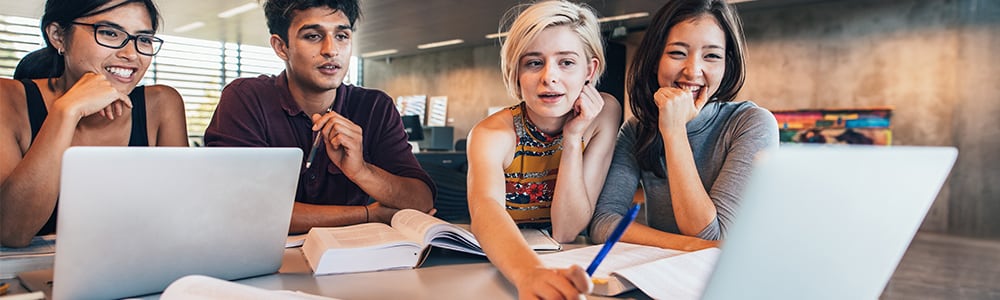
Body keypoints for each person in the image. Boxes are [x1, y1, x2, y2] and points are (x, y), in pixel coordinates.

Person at [203, 0, 435, 234]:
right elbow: (243, 210)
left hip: (354, 261)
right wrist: (368, 215)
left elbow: (421, 201)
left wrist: (362, 171)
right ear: (281, 46)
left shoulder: (375, 106)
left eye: (342, 36)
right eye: (313, 36)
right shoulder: (246, 98)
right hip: (264, 260)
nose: (331, 50)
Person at [590, 0, 779, 250]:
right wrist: (687, 245)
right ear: (655, 58)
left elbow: (710, 234)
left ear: (727, 64)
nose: (693, 71)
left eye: (711, 56)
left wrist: (674, 130)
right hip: (664, 273)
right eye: (677, 53)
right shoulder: (636, 129)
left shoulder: (751, 124)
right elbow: (603, 222)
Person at [0, 0, 188, 248]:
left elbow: (183, 221)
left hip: (136, 270)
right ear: (58, 36)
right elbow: (12, 232)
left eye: (143, 39)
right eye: (109, 33)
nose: (131, 54)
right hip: (35, 276)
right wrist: (67, 110)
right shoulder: (8, 98)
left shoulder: (162, 104)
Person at [465, 1, 621, 298]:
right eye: (534, 62)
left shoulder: (604, 114)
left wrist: (573, 138)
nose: (549, 76)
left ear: (590, 69)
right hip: (503, 266)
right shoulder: (491, 134)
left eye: (566, 62)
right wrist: (529, 273)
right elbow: (486, 209)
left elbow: (567, 230)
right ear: (516, 72)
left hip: (571, 261)